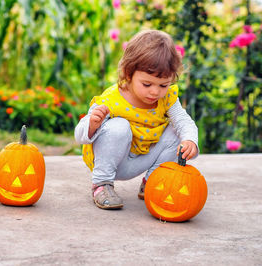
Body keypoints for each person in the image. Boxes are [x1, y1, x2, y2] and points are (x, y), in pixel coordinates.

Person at [74, 29, 199, 210]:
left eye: (163, 85)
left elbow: (183, 121)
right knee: (119, 126)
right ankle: (102, 184)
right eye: (147, 84)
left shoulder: (167, 98)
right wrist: (93, 124)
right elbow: (79, 135)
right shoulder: (112, 99)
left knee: (176, 132)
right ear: (128, 74)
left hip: (144, 158)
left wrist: (190, 141)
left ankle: (154, 181)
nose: (155, 92)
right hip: (113, 160)